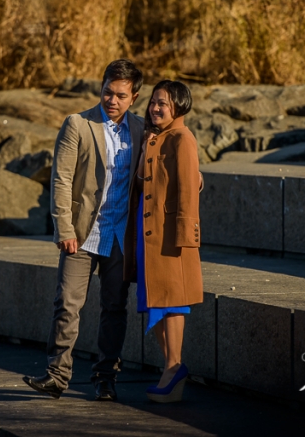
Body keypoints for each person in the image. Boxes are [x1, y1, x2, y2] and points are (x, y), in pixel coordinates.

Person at [22, 59, 145, 401]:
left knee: (114, 308)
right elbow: (61, 179)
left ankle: (106, 378)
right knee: (66, 304)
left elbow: (167, 161)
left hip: (120, 236)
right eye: (107, 92)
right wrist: (64, 227)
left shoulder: (141, 129)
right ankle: (56, 375)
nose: (112, 100)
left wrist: (194, 179)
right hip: (81, 233)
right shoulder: (77, 124)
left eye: (120, 95)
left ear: (134, 97)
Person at [123, 80, 203, 403]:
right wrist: (145, 149)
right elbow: (142, 183)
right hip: (148, 236)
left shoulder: (183, 138)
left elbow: (188, 189)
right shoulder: (154, 137)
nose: (155, 108)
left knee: (171, 302)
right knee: (152, 300)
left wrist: (186, 237)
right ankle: (171, 368)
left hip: (170, 237)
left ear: (179, 107)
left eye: (163, 103)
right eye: (154, 102)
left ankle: (173, 367)